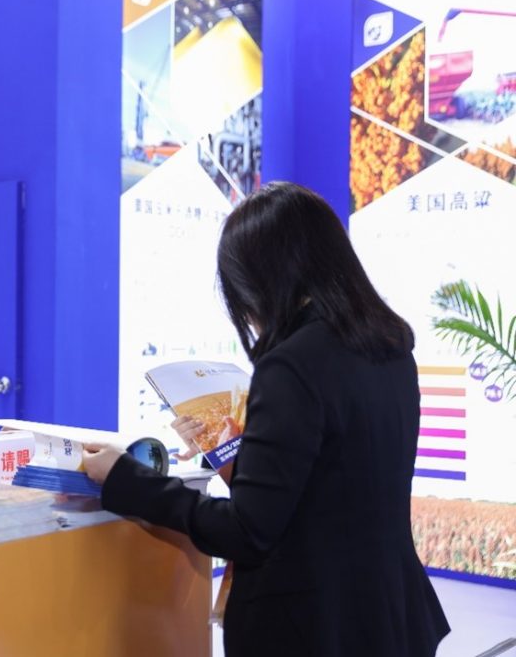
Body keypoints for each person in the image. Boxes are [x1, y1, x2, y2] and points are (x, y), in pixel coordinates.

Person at [84, 182, 450, 656]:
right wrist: (233, 450)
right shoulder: (389, 346)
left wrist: (126, 478)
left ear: (260, 278)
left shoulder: (293, 364)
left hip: (310, 625)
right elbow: (331, 483)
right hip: (388, 612)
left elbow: (248, 531)